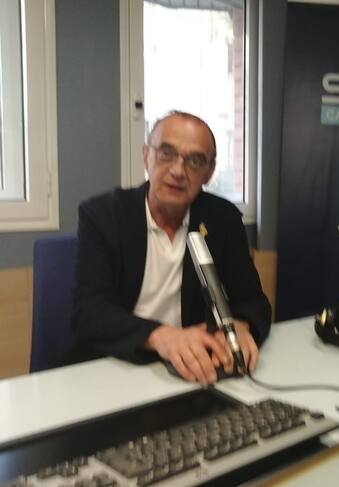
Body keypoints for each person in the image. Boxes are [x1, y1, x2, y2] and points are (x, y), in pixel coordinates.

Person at [70, 111, 271, 384]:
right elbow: (89, 312)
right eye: (166, 153)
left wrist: (241, 325)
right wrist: (161, 336)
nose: (178, 171)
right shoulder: (104, 215)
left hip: (191, 372)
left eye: (195, 161)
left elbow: (253, 302)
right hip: (116, 368)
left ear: (209, 172)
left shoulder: (223, 219)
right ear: (146, 156)